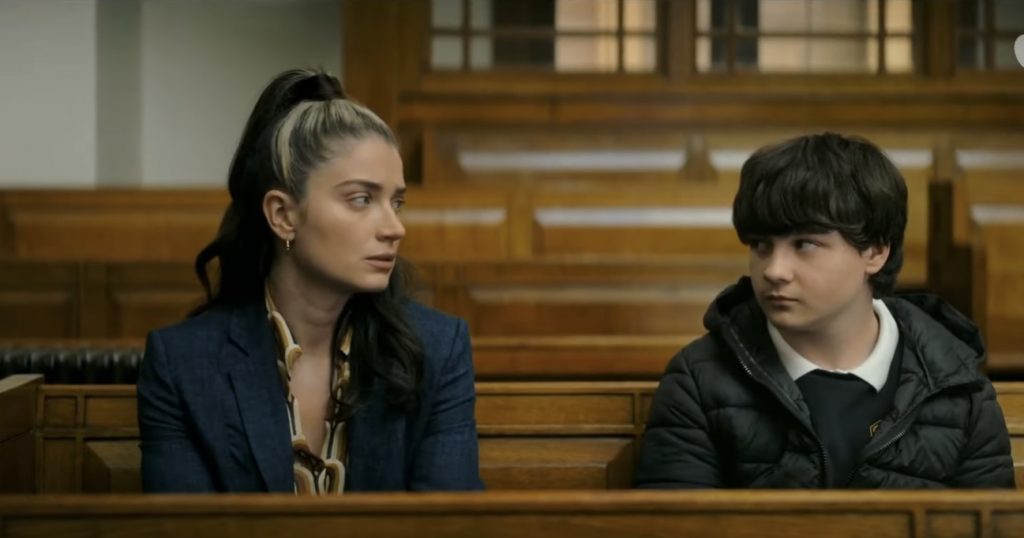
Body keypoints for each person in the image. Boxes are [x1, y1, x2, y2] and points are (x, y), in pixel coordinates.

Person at [137, 68, 483, 493]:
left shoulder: (437, 349)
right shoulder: (182, 364)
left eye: (396, 202)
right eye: (361, 199)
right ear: (283, 215)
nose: (395, 228)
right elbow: (184, 525)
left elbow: (449, 521)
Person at [634, 132, 1014, 488]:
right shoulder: (698, 381)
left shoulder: (957, 386)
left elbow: (990, 523)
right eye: (761, 246)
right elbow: (676, 523)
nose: (774, 271)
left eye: (805, 244)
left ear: (875, 251)